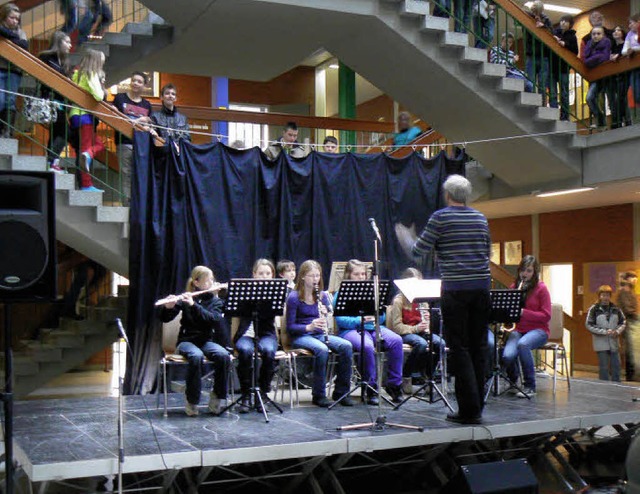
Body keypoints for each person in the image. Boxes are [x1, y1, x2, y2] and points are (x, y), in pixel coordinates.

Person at [395, 174, 491, 425]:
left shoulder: (441, 217)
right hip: (481, 288)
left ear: (447, 195)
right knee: (479, 347)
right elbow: (486, 251)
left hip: (456, 289)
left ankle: (469, 410)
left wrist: (406, 235)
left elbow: (418, 252)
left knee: (459, 348)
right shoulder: (480, 218)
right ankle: (478, 405)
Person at [159, 265, 230, 416]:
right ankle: (192, 401)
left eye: (212, 279)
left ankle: (217, 396)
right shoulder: (186, 298)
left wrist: (194, 305)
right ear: (196, 283)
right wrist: (168, 307)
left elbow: (213, 320)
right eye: (207, 280)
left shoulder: (216, 302)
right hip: (186, 341)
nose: (212, 283)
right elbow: (165, 318)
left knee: (223, 355)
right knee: (196, 356)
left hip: (205, 341)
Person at [333, 259, 404, 404]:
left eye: (363, 274)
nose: (361, 277)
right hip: (350, 330)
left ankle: (394, 385)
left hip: (372, 328)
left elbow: (382, 316)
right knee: (366, 346)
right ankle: (371, 387)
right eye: (356, 274)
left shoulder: (374, 291)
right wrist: (360, 320)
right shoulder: (341, 293)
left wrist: (376, 316)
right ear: (348, 275)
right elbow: (340, 320)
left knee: (396, 341)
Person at [285, 260, 354, 407]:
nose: (315, 279)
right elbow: (290, 327)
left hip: (319, 334)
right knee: (321, 350)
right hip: (301, 336)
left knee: (346, 346)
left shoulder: (321, 295)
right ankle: (319, 394)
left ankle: (341, 392)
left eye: (317, 276)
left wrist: (326, 312)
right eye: (311, 276)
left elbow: (329, 313)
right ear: (303, 276)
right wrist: (309, 327)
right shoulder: (294, 297)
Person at [388, 267, 446, 395]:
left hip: (420, 332)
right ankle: (407, 375)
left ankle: (429, 377)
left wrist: (426, 324)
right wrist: (416, 328)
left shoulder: (423, 300)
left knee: (440, 343)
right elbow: (397, 327)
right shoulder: (399, 300)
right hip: (405, 333)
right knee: (421, 344)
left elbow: (426, 323)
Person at [234, 259, 279, 413]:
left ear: (272, 275)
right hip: (247, 334)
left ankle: (263, 393)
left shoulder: (276, 292)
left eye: (268, 273)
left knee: (268, 351)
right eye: (261, 273)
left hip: (266, 334)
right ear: (254, 275)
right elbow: (235, 311)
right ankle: (246, 394)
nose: (264, 276)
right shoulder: (244, 290)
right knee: (245, 351)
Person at [501, 255, 550, 398]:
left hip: (539, 330)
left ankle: (530, 386)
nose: (525, 274)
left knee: (523, 344)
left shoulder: (542, 289)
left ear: (535, 273)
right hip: (519, 329)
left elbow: (546, 315)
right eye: (523, 270)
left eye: (529, 271)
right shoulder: (514, 287)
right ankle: (514, 381)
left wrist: (523, 312)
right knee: (507, 355)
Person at [112, 71, 153, 205]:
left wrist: (147, 122)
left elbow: (150, 125)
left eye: (139, 81)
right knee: (126, 174)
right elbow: (114, 116)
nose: (135, 83)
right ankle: (127, 203)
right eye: (134, 80)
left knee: (140, 174)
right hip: (124, 142)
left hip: (141, 145)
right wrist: (138, 120)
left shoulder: (147, 105)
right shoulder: (120, 98)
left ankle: (138, 204)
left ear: (144, 86)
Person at [69, 49, 106, 192]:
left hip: (75, 114)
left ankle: (88, 155)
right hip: (85, 116)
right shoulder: (91, 74)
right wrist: (103, 88)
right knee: (89, 148)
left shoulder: (77, 74)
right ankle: (86, 184)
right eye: (101, 62)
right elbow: (98, 96)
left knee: (96, 144)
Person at [38, 31, 73, 173]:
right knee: (65, 131)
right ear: (59, 42)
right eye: (67, 42)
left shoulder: (63, 61)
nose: (70, 45)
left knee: (56, 131)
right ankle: (51, 160)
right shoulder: (46, 57)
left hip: (60, 100)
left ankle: (52, 163)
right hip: (50, 98)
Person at [586, 285, 625, 382]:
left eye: (607, 295)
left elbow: (623, 322)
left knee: (616, 366)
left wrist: (617, 331)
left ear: (610, 296)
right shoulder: (594, 309)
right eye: (603, 295)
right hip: (601, 343)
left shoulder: (616, 309)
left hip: (614, 342)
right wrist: (604, 332)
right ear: (599, 296)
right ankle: (604, 388)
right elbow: (589, 325)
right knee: (604, 368)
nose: (605, 297)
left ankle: (617, 388)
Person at [0, 3, 28, 138]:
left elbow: (24, 45)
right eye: (12, 18)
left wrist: (9, 37)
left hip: (14, 71)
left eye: (17, 19)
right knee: (0, 100)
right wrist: (13, 38)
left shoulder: (20, 32)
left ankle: (7, 131)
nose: (15, 21)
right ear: (4, 17)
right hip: (1, 68)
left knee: (10, 100)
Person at [524, 1, 553, 105]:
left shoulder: (546, 20)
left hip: (543, 55)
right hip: (531, 54)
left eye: (537, 8)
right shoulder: (527, 16)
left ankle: (542, 104)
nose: (535, 10)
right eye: (534, 8)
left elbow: (551, 34)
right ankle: (531, 103)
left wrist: (543, 26)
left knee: (543, 83)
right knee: (529, 81)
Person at [551, 15, 578, 121]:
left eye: (566, 22)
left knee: (564, 93)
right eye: (562, 21)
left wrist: (565, 44)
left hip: (564, 68)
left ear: (570, 24)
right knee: (552, 93)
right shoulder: (554, 33)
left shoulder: (572, 36)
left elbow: (575, 51)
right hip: (553, 66)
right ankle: (553, 114)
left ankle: (565, 116)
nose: (563, 23)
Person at [150, 83, 191, 153]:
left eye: (173, 94)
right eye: (167, 93)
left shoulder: (183, 118)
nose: (170, 96)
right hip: (162, 156)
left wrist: (179, 148)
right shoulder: (154, 116)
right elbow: (153, 139)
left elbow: (187, 138)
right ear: (161, 97)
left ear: (175, 98)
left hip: (179, 155)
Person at [584, 27, 612, 129]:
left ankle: (615, 122)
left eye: (598, 34)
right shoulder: (589, 44)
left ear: (603, 35)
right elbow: (585, 60)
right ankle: (600, 119)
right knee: (589, 98)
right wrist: (597, 57)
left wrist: (593, 58)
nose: (596, 36)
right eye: (594, 34)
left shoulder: (606, 42)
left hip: (606, 75)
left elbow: (604, 57)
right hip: (595, 77)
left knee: (611, 100)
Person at [609, 25, 631, 129]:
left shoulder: (625, 44)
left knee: (622, 98)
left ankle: (624, 121)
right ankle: (617, 121)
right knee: (615, 100)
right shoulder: (612, 47)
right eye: (614, 30)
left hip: (624, 75)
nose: (616, 32)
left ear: (622, 33)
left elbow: (627, 55)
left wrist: (619, 56)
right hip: (614, 76)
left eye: (618, 30)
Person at [617, 272, 638, 381]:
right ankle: (630, 375)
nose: (635, 281)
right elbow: (627, 308)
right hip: (627, 322)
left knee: (633, 349)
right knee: (629, 349)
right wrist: (635, 315)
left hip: (631, 322)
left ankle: (633, 374)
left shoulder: (630, 291)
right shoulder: (624, 292)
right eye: (633, 279)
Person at [622, 15, 640, 117]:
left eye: (631, 23)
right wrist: (629, 51)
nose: (629, 26)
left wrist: (634, 49)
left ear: (638, 22)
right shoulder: (629, 34)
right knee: (636, 94)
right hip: (634, 66)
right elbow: (624, 50)